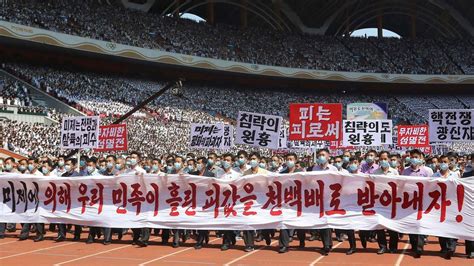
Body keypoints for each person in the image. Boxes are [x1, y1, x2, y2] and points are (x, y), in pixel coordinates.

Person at [402, 149, 430, 258]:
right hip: (409, 202)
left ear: (421, 158)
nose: (414, 159)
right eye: (412, 157)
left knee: (420, 224)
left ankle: (419, 247)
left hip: (423, 202)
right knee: (411, 224)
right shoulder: (405, 171)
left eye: (416, 157)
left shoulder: (427, 171)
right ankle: (414, 245)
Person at [308, 149, 336, 256]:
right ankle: (327, 244)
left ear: (328, 156)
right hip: (318, 199)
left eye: (323, 155)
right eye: (319, 155)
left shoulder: (333, 169)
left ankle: (327, 244)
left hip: (331, 199)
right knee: (323, 222)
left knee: (327, 221)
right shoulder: (314, 169)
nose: (321, 157)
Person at [277, 153, 305, 253]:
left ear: (295, 160)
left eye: (291, 159)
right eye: (287, 159)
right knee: (284, 222)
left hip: (299, 201)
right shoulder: (282, 173)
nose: (289, 161)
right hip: (285, 202)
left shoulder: (301, 173)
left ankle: (301, 240)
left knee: (299, 224)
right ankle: (283, 245)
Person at [373, 151, 400, 254]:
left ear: (389, 159)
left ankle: (393, 247)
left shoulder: (394, 172)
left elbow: (398, 186)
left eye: (385, 159)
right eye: (381, 159)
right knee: (379, 225)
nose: (383, 161)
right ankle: (382, 246)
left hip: (392, 202)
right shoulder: (376, 173)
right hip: (379, 202)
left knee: (392, 225)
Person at [242, 152, 270, 252]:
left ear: (258, 160)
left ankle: (265, 233)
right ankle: (249, 244)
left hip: (262, 201)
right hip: (250, 201)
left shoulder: (265, 173)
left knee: (264, 221)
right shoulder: (246, 173)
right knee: (248, 222)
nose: (252, 161)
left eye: (254, 159)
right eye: (251, 159)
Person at [432, 155, 458, 260]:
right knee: (441, 227)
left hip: (452, 204)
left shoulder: (455, 175)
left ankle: (451, 247)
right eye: (442, 161)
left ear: (449, 163)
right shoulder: (434, 176)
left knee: (452, 226)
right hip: (438, 204)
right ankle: (444, 247)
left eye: (445, 162)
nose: (443, 163)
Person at [190, 156, 215, 249]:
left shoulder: (210, 175)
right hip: (195, 201)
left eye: (200, 163)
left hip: (206, 202)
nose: (198, 165)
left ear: (204, 164)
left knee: (202, 221)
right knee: (195, 221)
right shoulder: (192, 174)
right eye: (197, 163)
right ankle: (204, 235)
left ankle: (199, 241)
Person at [220, 153, 241, 251]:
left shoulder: (237, 175)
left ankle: (227, 240)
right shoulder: (220, 174)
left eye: (228, 160)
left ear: (232, 162)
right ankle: (228, 239)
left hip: (234, 202)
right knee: (225, 222)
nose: (226, 162)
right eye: (225, 160)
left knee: (230, 222)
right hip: (223, 202)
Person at [56, 158, 81, 242]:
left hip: (75, 200)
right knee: (61, 216)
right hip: (64, 200)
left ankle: (77, 234)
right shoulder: (63, 176)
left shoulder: (78, 176)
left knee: (75, 218)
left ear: (73, 166)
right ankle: (61, 234)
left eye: (68, 164)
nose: (66, 166)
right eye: (66, 164)